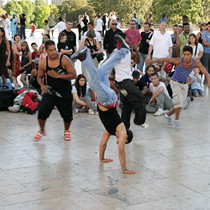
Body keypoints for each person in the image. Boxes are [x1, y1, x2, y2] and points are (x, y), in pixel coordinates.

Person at [71, 35, 136, 175]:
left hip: (107, 99)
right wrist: (124, 169)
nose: (119, 142)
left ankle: (122, 51)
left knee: (102, 71)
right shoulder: (123, 132)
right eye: (122, 141)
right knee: (94, 83)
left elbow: (103, 143)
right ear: (125, 140)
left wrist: (101, 158)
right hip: (108, 100)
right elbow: (121, 152)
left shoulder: (110, 130)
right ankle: (85, 56)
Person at [146, 45, 210, 127]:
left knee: (180, 105)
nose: (186, 56)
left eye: (188, 54)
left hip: (185, 84)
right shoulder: (179, 61)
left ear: (192, 55)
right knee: (179, 102)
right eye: (185, 54)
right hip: (175, 82)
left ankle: (167, 115)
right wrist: (152, 61)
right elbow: (165, 59)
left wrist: (208, 83)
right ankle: (176, 120)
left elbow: (206, 73)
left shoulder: (196, 63)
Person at [35, 40, 77, 141]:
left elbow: (74, 75)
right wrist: (43, 86)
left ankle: (67, 130)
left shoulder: (64, 59)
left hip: (64, 91)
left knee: (67, 115)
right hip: (50, 91)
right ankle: (41, 130)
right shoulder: (44, 63)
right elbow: (39, 77)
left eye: (55, 49)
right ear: (46, 51)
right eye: (51, 50)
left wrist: (58, 76)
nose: (54, 52)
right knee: (42, 111)